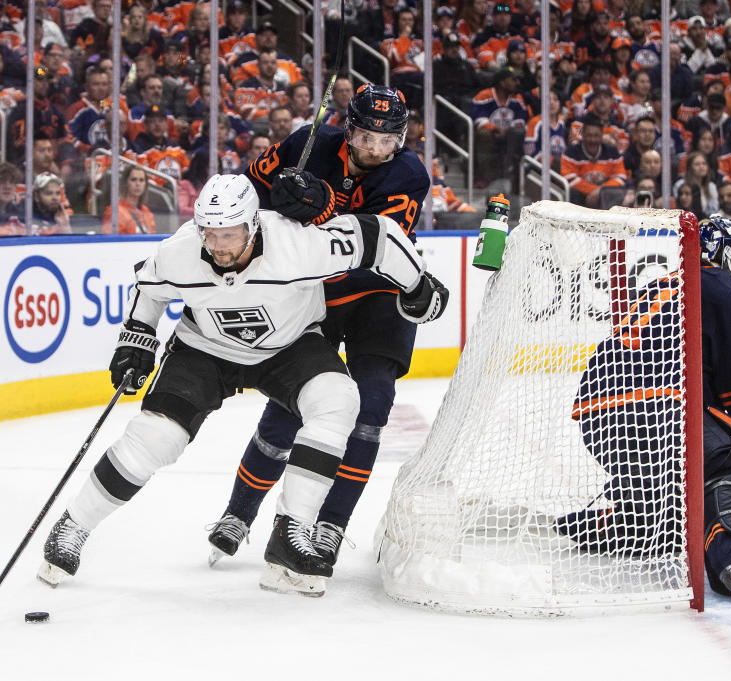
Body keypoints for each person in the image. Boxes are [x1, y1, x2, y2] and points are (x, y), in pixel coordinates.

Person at [39, 173, 448, 596]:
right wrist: (137, 335)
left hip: (288, 348)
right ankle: (73, 526)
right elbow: (151, 288)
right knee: (155, 437)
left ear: (254, 225)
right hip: (205, 349)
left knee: (339, 400)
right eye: (209, 234)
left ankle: (290, 533)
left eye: (229, 234)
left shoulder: (298, 245)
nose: (217, 246)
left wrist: (418, 284)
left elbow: (379, 236)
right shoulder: (181, 252)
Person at [206, 84, 432, 570]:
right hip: (315, 296)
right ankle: (237, 514)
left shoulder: (410, 174)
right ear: (348, 129)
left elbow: (371, 242)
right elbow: (243, 195)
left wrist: (322, 203)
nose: (374, 148)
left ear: (401, 140)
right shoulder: (304, 144)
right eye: (367, 136)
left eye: (386, 140)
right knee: (290, 406)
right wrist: (276, 203)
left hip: (379, 294)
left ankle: (330, 526)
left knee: (370, 408)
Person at [563, 215, 731, 604]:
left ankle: (623, 517)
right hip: (659, 413)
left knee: (678, 493)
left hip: (597, 420)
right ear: (721, 253)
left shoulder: (666, 284)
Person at [103, 165, 156, 235]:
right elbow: (110, 242)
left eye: (141, 180)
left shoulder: (146, 211)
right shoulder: (115, 211)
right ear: (126, 182)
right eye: (133, 179)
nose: (138, 184)